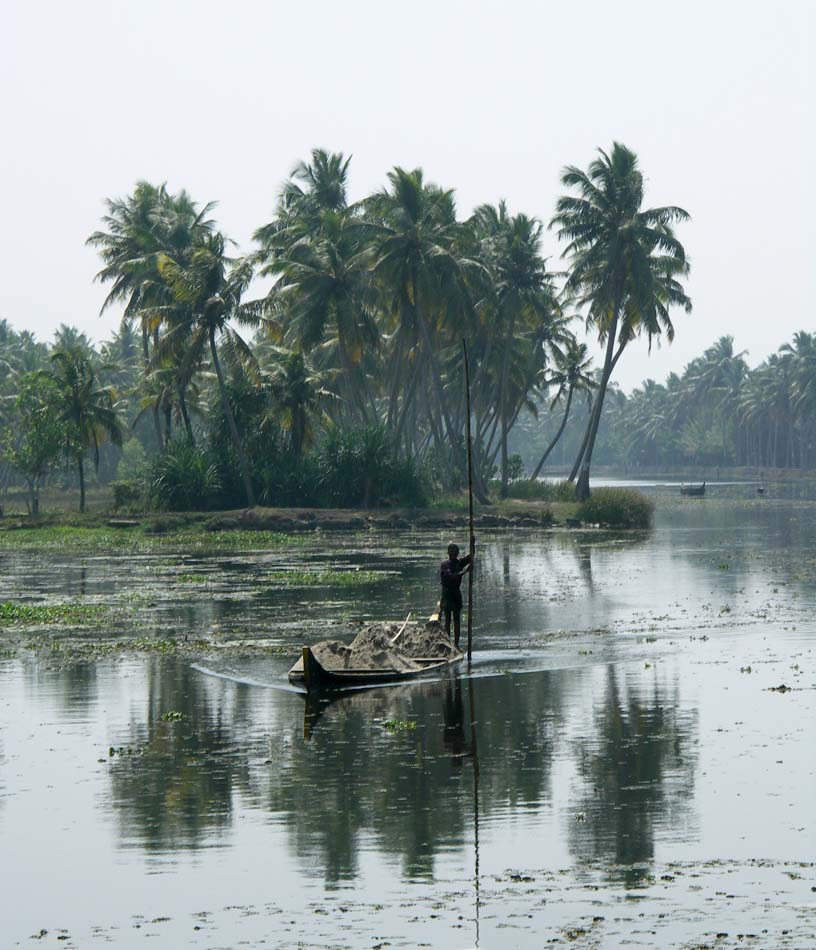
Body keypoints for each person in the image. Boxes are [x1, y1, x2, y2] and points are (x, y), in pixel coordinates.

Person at [439, 542, 473, 647]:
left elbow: (470, 557)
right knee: (448, 619)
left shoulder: (459, 563)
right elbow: (450, 577)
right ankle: (449, 644)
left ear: (458, 552)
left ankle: (456, 645)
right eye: (451, 551)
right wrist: (464, 572)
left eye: (455, 551)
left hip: (456, 594)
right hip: (447, 594)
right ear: (448, 552)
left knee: (457, 619)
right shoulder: (445, 564)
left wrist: (473, 543)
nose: (453, 553)